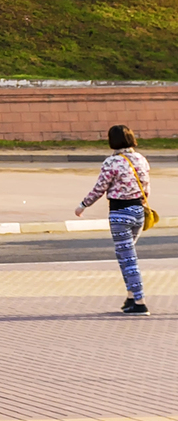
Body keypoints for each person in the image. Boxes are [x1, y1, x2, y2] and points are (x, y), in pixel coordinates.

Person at [75, 124, 152, 313]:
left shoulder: (112, 162)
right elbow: (146, 186)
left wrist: (83, 205)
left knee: (128, 259)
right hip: (138, 211)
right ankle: (130, 297)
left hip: (120, 214)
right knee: (125, 255)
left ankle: (140, 302)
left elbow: (100, 187)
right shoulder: (141, 159)